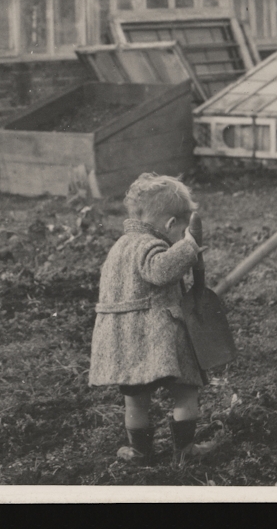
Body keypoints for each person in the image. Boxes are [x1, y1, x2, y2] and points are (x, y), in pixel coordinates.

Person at [89, 174, 217, 467]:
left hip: (124, 343)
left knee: (135, 401)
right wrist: (188, 248)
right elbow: (160, 272)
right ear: (171, 225)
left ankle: (140, 452)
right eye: (180, 232)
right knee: (186, 393)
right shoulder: (148, 245)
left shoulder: (119, 247)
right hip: (157, 338)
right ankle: (184, 450)